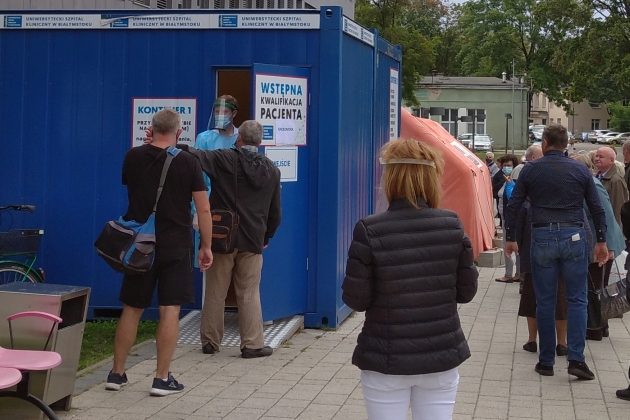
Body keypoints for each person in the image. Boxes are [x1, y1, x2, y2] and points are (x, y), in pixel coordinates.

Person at [342, 138, 478, 420]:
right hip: (441, 355)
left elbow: (356, 299)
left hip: (385, 357)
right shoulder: (452, 225)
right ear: (432, 179)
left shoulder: (369, 229)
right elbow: (466, 293)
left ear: (390, 179)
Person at [106, 109, 213, 396]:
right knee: (169, 310)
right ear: (179, 133)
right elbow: (203, 208)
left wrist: (146, 148)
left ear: (151, 129)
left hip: (140, 244)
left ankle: (116, 373)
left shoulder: (132, 156)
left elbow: (136, 185)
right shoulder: (189, 163)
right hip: (175, 244)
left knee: (132, 308)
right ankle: (161, 378)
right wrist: (206, 245)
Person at [505, 124, 608, 380]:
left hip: (542, 235)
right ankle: (576, 359)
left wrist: (510, 237)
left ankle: (546, 361)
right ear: (566, 144)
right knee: (577, 299)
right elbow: (596, 208)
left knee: (545, 300)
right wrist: (602, 241)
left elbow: (514, 205)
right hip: (574, 234)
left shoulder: (531, 170)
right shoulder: (580, 170)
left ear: (544, 143)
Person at [182, 120, 281, 358]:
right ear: (259, 142)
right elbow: (275, 211)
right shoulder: (271, 170)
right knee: (248, 291)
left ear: (239, 139)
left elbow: (194, 154)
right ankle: (252, 344)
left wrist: (168, 143)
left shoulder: (224, 159)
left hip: (222, 236)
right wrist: (267, 235)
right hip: (253, 237)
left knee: (216, 289)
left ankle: (210, 341)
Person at [515, 145, 568, 356]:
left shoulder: (528, 203)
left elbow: (518, 228)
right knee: (560, 297)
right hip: (562, 254)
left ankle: (532, 340)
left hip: (534, 254)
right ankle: (561, 343)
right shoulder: (568, 199)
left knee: (533, 298)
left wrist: (516, 246)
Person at [572, 153, 625, 341]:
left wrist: (607, 247)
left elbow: (607, 215)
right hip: (595, 243)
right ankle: (599, 326)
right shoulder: (588, 183)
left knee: (596, 287)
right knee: (595, 287)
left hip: (601, 246)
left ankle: (596, 328)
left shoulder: (593, 185)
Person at [495, 154, 520, 283]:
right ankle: (509, 273)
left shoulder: (516, 181)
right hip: (504, 217)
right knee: (507, 245)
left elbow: (513, 199)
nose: (506, 168)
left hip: (513, 218)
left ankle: (517, 273)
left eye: (509, 166)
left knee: (515, 245)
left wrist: (510, 184)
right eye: (504, 165)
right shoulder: (500, 179)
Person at [594, 146, 628, 226]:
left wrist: (615, 231)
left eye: (601, 157)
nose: (597, 159)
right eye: (596, 156)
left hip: (610, 227)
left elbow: (618, 208)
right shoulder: (598, 175)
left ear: (611, 160)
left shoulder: (616, 180)